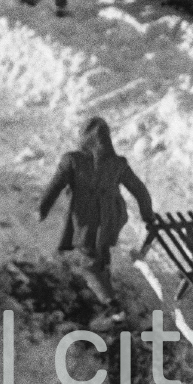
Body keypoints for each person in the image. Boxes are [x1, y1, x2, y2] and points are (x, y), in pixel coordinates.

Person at [38, 117, 156, 320]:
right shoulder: (118, 163)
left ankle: (111, 304)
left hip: (87, 219)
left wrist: (42, 208)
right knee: (100, 254)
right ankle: (107, 290)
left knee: (88, 262)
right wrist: (148, 215)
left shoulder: (72, 160)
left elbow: (55, 185)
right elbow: (139, 190)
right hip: (112, 218)